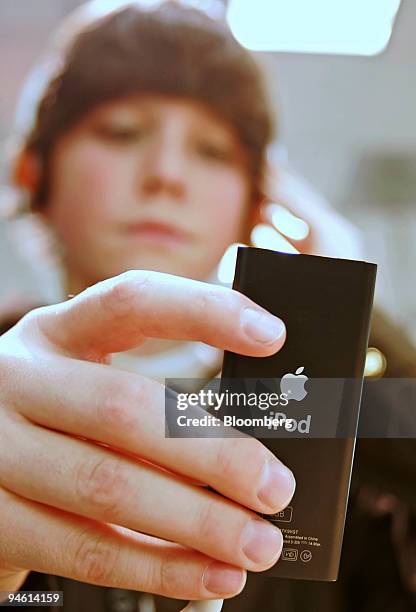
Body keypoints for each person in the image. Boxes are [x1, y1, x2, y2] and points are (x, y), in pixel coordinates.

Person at [0, 2, 416, 612]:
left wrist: (349, 324)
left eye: (214, 152)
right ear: (34, 173)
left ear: (258, 203)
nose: (166, 174)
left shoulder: (316, 416)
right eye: (120, 133)